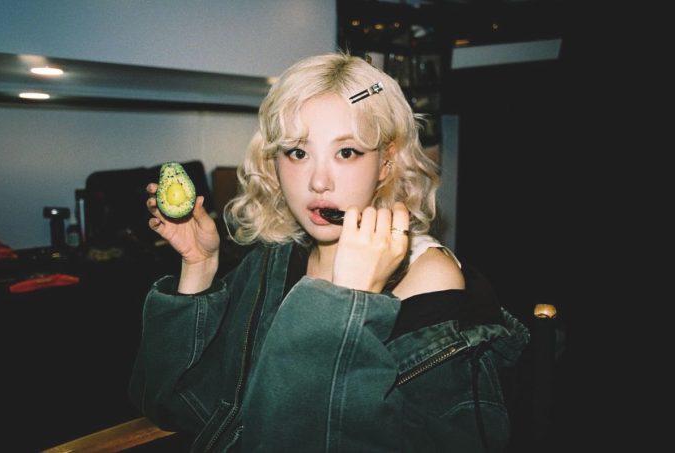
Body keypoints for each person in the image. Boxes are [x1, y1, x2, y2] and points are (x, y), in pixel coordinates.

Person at [129, 52, 530, 452]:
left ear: (386, 163)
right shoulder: (275, 259)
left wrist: (348, 304)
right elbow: (172, 406)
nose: (319, 182)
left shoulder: (427, 280)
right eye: (298, 152)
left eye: (347, 152)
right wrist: (198, 267)